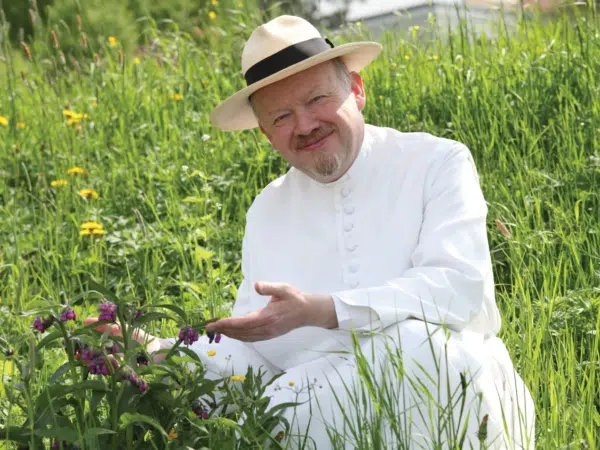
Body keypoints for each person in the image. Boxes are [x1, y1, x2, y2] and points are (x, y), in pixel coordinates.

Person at [94, 15, 536, 449]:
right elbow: (258, 356)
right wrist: (163, 354)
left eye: (316, 99)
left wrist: (321, 310)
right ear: (267, 134)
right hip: (310, 405)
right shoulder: (266, 208)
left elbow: (456, 291)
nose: (304, 126)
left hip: (451, 399)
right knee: (241, 407)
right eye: (282, 116)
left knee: (415, 344)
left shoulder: (436, 163)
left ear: (357, 89)